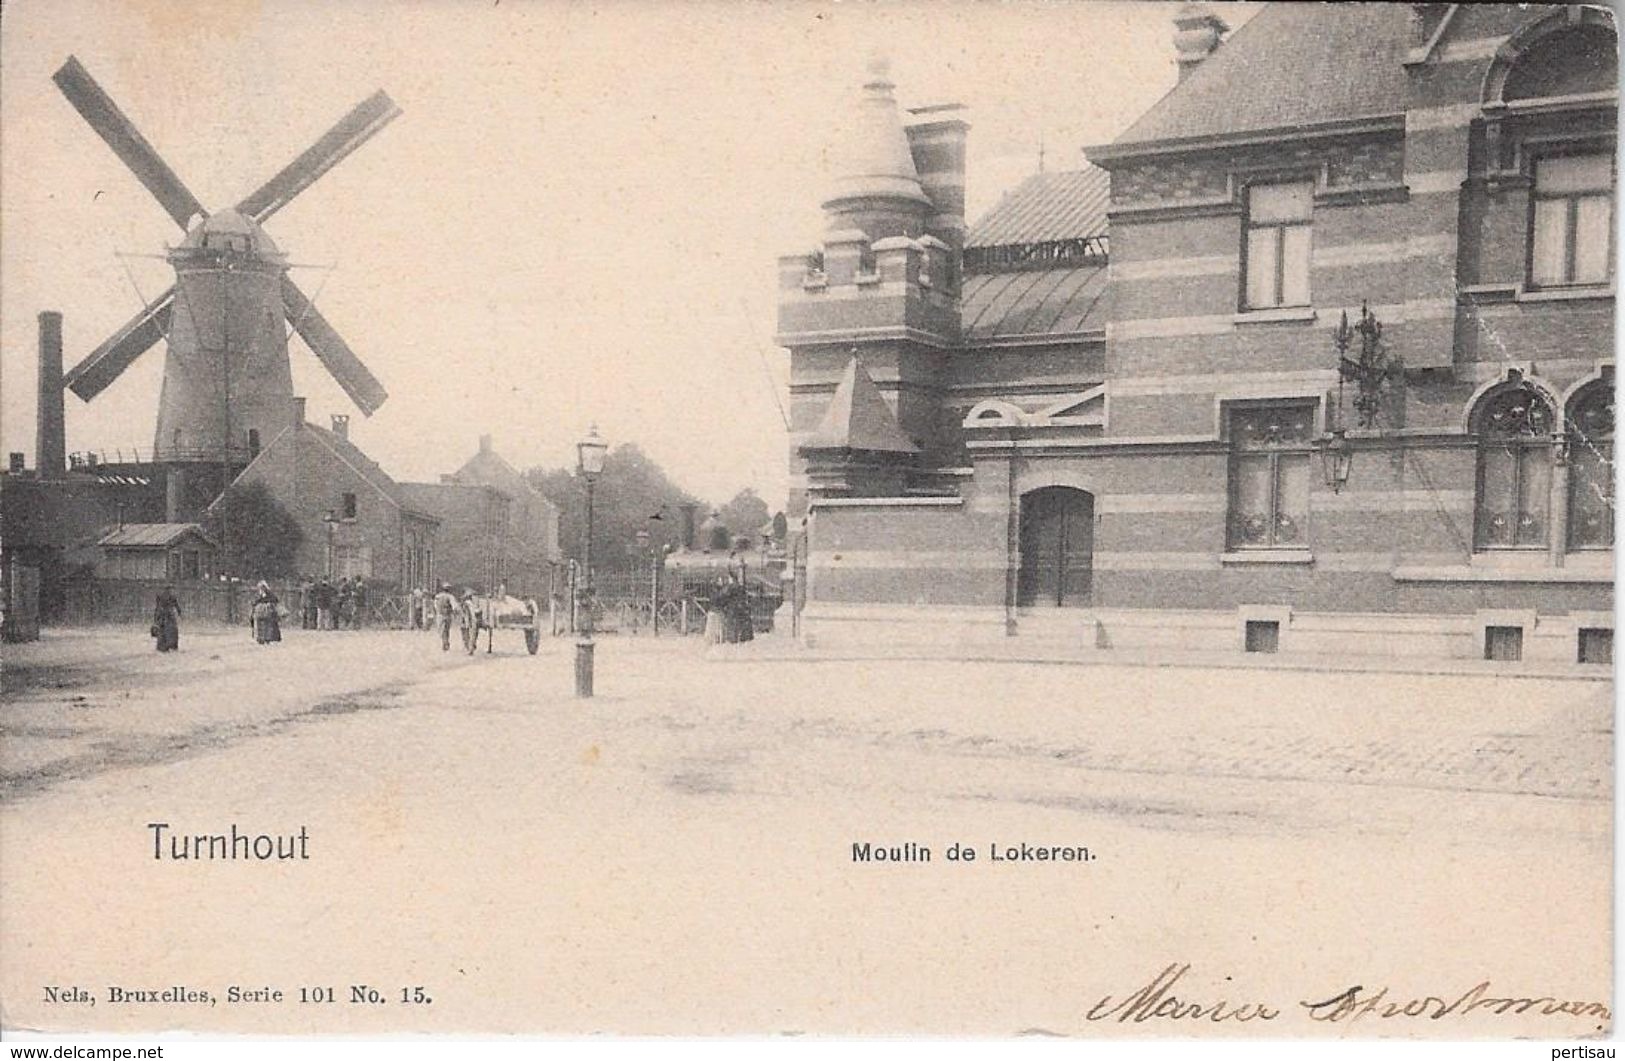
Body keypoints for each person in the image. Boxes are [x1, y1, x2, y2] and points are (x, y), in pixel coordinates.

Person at [152, 586, 181, 652]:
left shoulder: (161, 597)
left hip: (164, 616)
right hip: (167, 616)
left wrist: (156, 619)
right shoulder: (171, 597)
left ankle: (164, 646)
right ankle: (169, 646)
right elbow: (176, 606)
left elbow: (157, 608)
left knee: (164, 632)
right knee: (169, 631)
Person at [432, 582, 458, 652]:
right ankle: (446, 642)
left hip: (439, 614)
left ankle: (445, 642)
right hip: (447, 614)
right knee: (446, 630)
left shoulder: (438, 596)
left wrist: (435, 613)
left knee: (441, 630)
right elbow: (454, 606)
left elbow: (435, 605)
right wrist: (455, 614)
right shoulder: (450, 596)